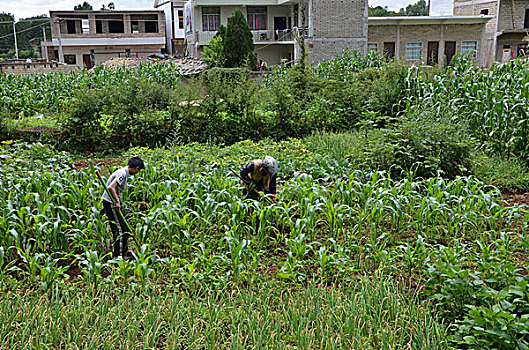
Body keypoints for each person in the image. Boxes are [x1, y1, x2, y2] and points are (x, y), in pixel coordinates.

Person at [102, 156, 145, 258]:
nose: (137, 173)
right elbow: (111, 187)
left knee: (122, 229)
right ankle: (119, 256)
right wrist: (117, 201)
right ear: (136, 168)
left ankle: (123, 251)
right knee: (121, 230)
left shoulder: (124, 172)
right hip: (110, 202)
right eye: (138, 170)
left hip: (113, 203)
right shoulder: (123, 173)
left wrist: (119, 201)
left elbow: (118, 190)